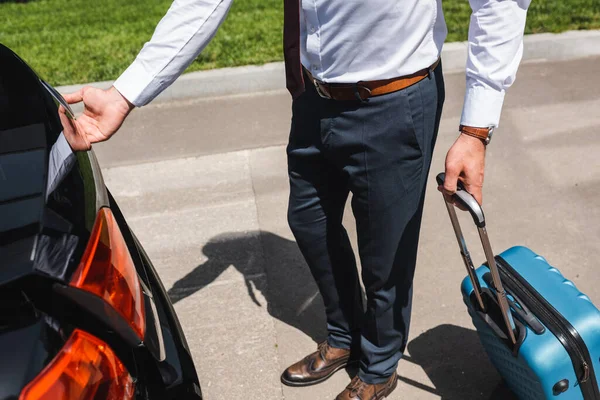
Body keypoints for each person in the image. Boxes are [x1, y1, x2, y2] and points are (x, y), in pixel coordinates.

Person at [64, 0, 530, 398]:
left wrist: (476, 128)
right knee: (308, 220)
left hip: (395, 100)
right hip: (316, 97)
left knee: (385, 253)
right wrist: (125, 94)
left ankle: (379, 365)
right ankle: (346, 335)